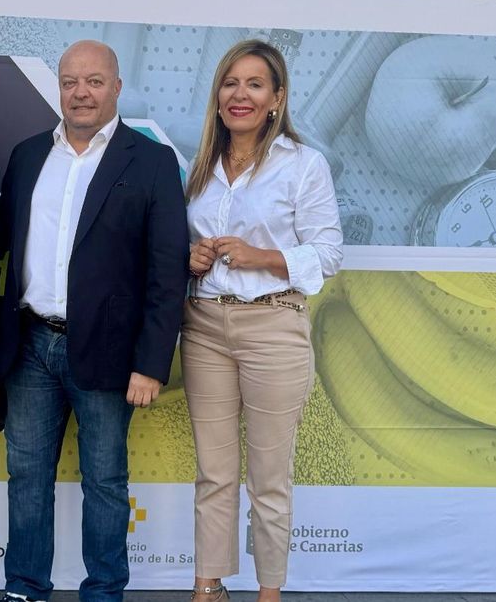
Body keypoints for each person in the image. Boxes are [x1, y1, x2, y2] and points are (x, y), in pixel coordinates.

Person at [0, 40, 189, 602]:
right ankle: (25, 588)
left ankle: (104, 592)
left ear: (117, 88)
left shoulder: (150, 162)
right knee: (27, 477)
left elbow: (166, 273)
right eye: (71, 81)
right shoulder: (29, 154)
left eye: (95, 81)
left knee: (105, 482)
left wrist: (151, 364)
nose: (81, 92)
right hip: (30, 343)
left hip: (109, 350)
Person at [181, 40, 342, 602]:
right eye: (230, 83)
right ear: (218, 95)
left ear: (276, 98)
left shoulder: (303, 164)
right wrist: (192, 256)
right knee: (214, 473)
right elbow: (182, 244)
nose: (240, 94)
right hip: (203, 327)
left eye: (254, 84)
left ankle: (268, 592)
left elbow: (327, 254)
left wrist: (263, 257)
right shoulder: (198, 167)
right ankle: (208, 586)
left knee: (269, 479)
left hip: (274, 328)